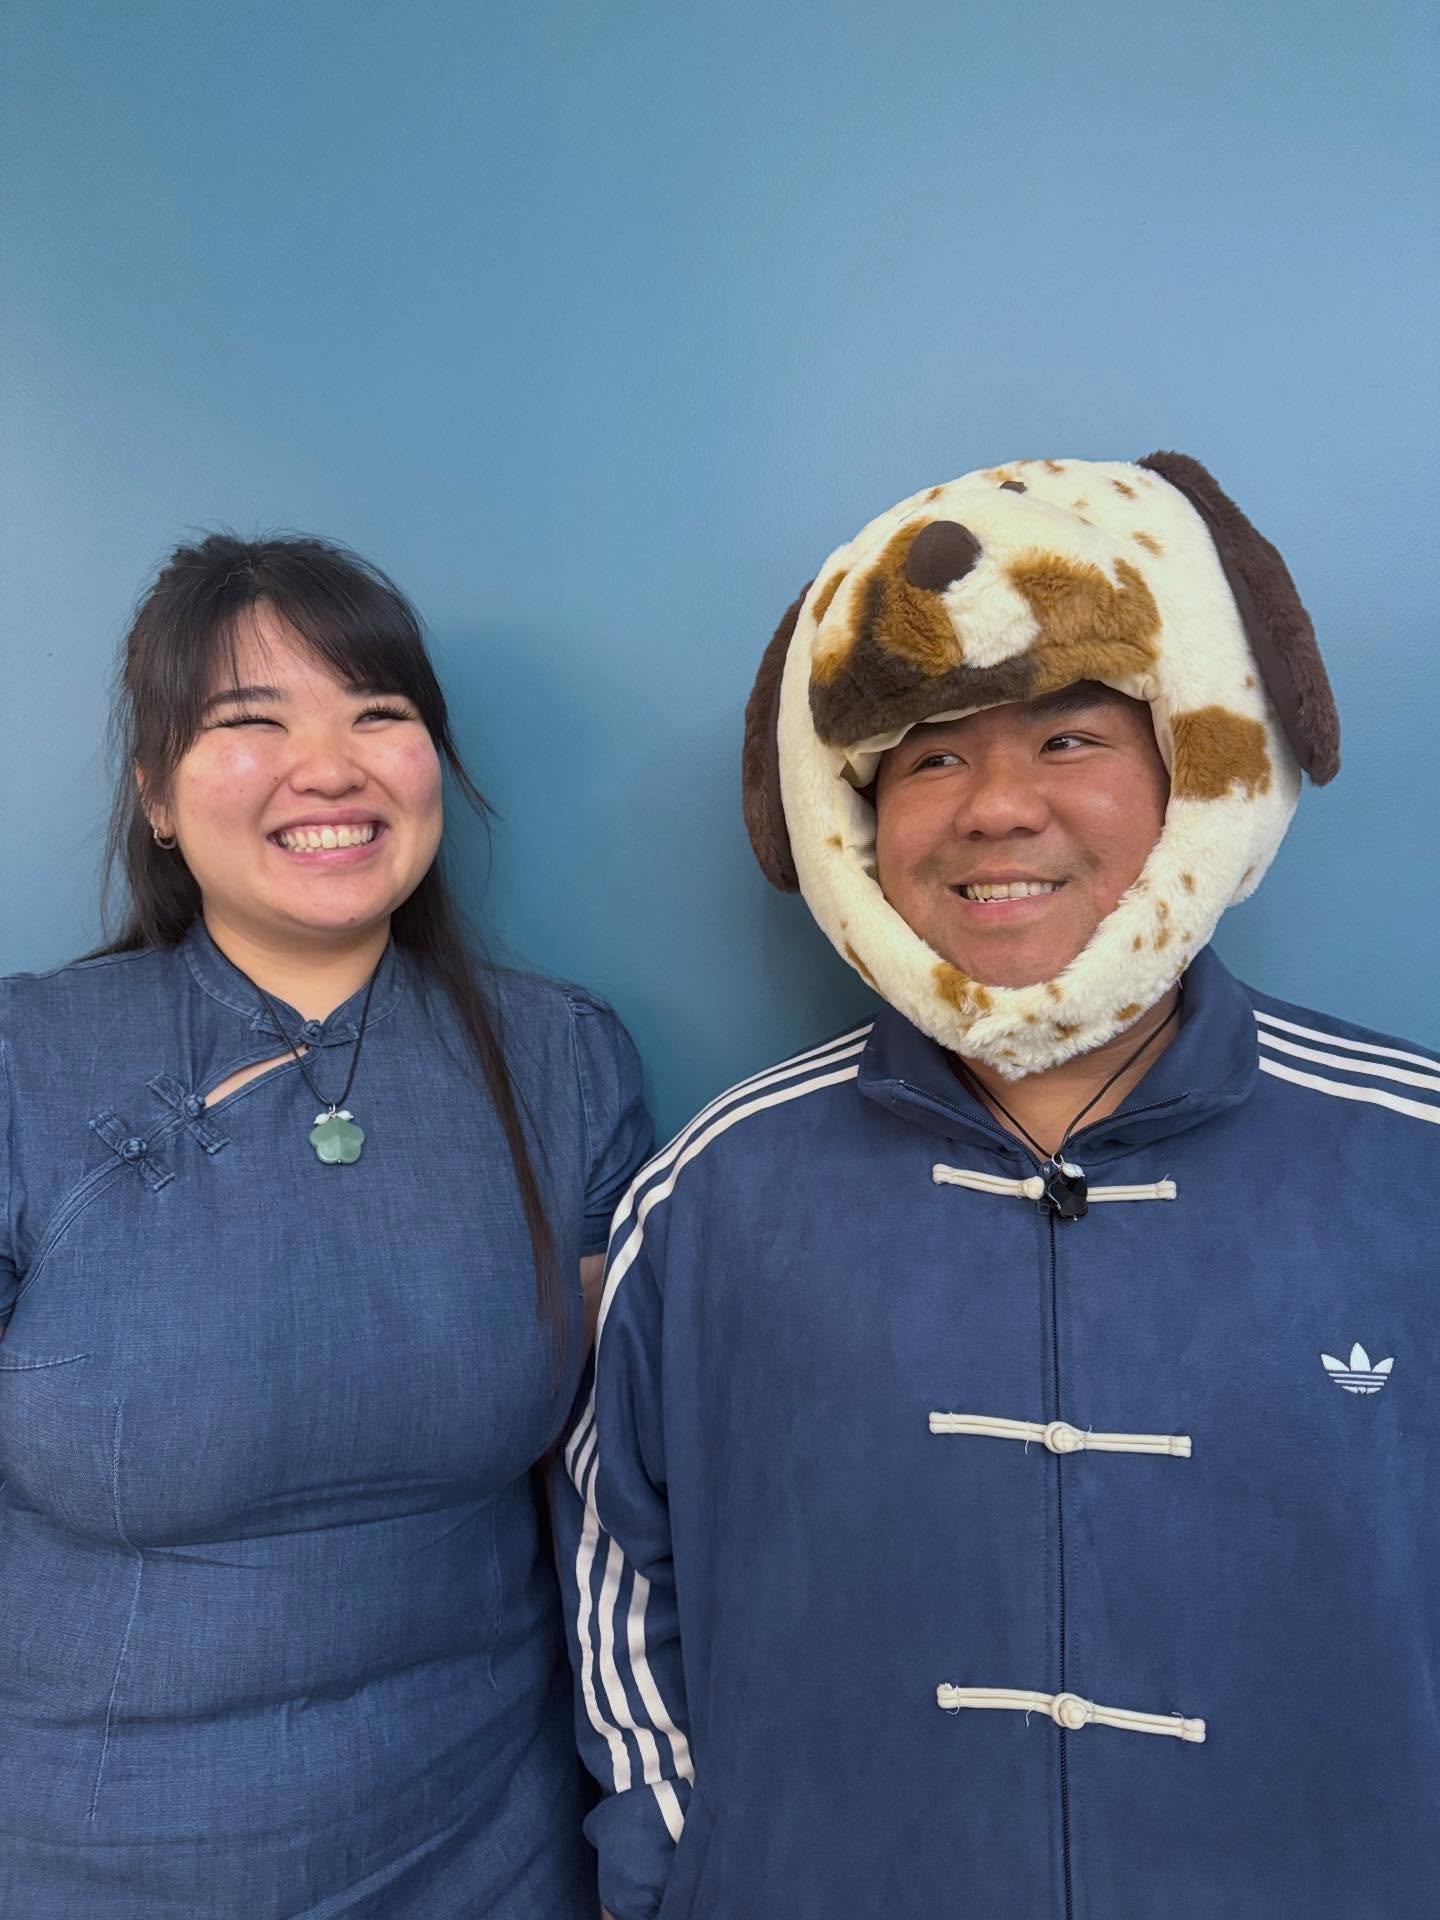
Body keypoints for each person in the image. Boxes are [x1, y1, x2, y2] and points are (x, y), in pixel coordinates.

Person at [556, 452, 1440, 1919]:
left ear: (1192, 774)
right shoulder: (717, 1195)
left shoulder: (1409, 1162)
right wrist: (671, 1878)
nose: (995, 808)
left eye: (1073, 738)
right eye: (932, 754)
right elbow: (613, 1582)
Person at [0, 534, 651, 1916]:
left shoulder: (564, 1059)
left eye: (378, 713)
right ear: (156, 796)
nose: (331, 765)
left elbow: (616, 1500)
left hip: (488, 1850)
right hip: (86, 1857)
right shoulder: (22, 1064)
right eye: (250, 722)